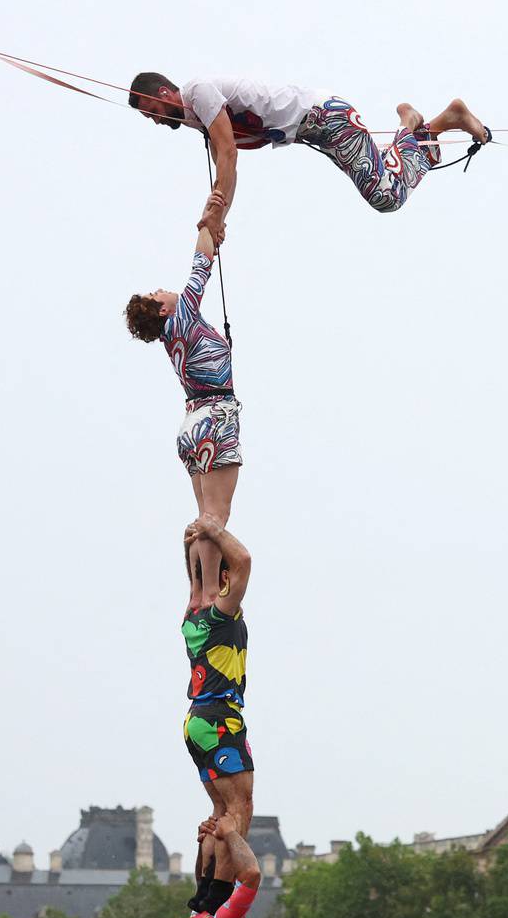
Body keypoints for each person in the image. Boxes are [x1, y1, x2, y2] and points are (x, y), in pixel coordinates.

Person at [127, 72, 489, 237]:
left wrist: (217, 217)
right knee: (384, 186)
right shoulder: (198, 117)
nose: (154, 121)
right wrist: (220, 219)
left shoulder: (199, 93)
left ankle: (421, 125)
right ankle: (423, 126)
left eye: (151, 111)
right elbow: (225, 166)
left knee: (386, 196)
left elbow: (228, 155)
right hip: (316, 130)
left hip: (326, 117)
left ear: (163, 91)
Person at [127, 226, 238, 609]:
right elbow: (200, 265)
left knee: (204, 516)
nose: (165, 290)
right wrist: (209, 221)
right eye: (159, 293)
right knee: (215, 518)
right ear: (163, 309)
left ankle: (196, 592)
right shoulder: (183, 316)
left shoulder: (170, 338)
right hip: (214, 416)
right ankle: (208, 594)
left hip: (192, 422)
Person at [181, 515, 253, 840]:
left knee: (220, 816)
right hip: (219, 717)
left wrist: (190, 548)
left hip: (198, 721)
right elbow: (244, 561)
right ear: (224, 578)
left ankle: (208, 889)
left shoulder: (192, 616)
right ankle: (236, 886)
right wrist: (213, 530)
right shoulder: (219, 616)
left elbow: (197, 583)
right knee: (240, 810)